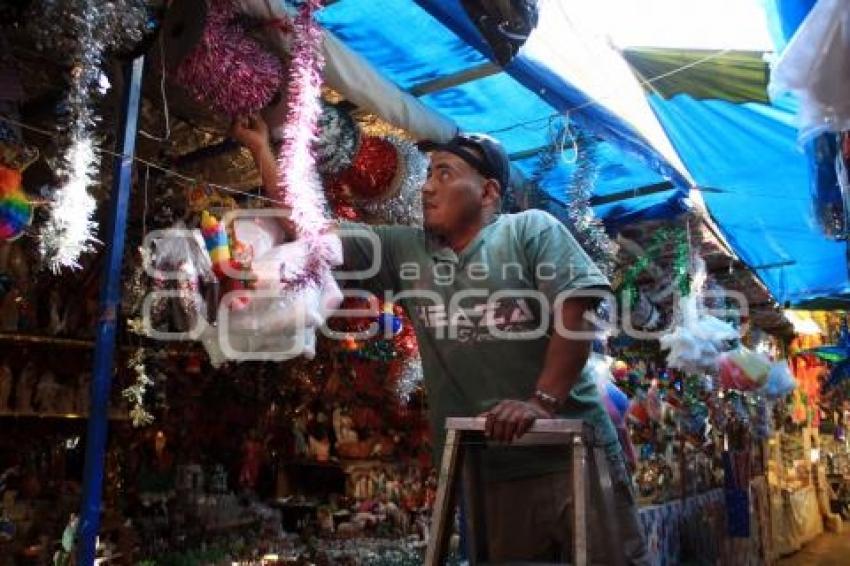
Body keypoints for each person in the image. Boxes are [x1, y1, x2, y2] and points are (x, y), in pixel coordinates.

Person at [232, 115, 650, 564]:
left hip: (575, 458)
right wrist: (261, 149)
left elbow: (578, 308)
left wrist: (542, 402)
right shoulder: (404, 251)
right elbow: (314, 233)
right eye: (428, 174)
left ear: (488, 192)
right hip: (491, 473)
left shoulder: (529, 230)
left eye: (445, 173)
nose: (427, 187)